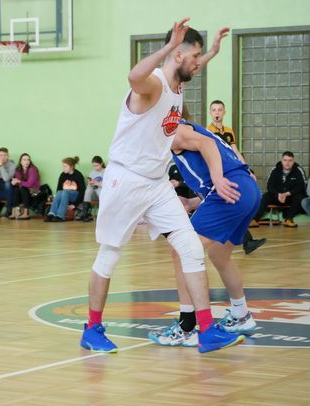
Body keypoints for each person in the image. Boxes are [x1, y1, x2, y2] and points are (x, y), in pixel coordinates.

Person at [80, 19, 244, 354]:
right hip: (125, 180)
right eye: (194, 56)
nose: (198, 63)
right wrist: (169, 45)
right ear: (178, 55)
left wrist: (212, 52)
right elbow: (133, 77)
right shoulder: (153, 84)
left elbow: (191, 64)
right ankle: (92, 329)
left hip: (155, 183)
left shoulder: (177, 83)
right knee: (109, 255)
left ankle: (206, 330)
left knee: (191, 248)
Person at [149, 121, 260, 347]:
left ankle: (187, 326)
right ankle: (241, 314)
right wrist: (192, 202)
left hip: (228, 190)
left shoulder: (174, 130)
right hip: (247, 189)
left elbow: (207, 144)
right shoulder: (189, 129)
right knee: (219, 255)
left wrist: (218, 179)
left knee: (181, 250)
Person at [206, 100, 266, 253]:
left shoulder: (229, 131)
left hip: (231, 171)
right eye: (214, 110)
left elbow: (236, 152)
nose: (217, 113)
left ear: (224, 112)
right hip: (218, 173)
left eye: (220, 110)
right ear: (210, 113)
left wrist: (247, 170)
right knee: (230, 205)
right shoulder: (207, 131)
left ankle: (246, 241)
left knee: (237, 202)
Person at [251, 151, 307, 228]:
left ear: (293, 161)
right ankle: (254, 219)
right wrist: (278, 194)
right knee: (266, 196)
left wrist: (287, 194)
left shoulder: (298, 170)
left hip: (291, 197)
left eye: (290, 160)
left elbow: (301, 187)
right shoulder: (275, 170)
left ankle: (289, 219)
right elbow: (270, 186)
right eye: (285, 160)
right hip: (277, 196)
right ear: (281, 161)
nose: (287, 163)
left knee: (300, 197)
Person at [44, 156, 86, 222]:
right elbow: (58, 190)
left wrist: (75, 204)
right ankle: (51, 213)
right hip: (64, 196)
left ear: (71, 167)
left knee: (64, 192)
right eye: (63, 166)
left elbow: (82, 191)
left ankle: (60, 216)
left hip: (75, 196)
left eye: (65, 166)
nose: (63, 168)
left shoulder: (78, 175)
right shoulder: (62, 175)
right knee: (59, 192)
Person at [9, 153, 40, 220]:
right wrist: (14, 182)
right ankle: (15, 211)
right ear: (20, 162)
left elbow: (29, 184)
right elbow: (18, 182)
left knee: (23, 188)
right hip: (23, 190)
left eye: (28, 160)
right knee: (16, 189)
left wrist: (18, 181)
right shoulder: (18, 169)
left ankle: (26, 213)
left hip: (34, 191)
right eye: (24, 160)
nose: (26, 161)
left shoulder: (32, 169)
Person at [75, 156, 105, 222]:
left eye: (97, 165)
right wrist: (90, 183)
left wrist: (98, 184)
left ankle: (101, 214)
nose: (95, 168)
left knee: (99, 190)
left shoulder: (106, 172)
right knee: (89, 188)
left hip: (103, 193)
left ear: (101, 163)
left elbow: (109, 186)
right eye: (94, 166)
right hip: (93, 193)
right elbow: (90, 183)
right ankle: (86, 213)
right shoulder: (92, 172)